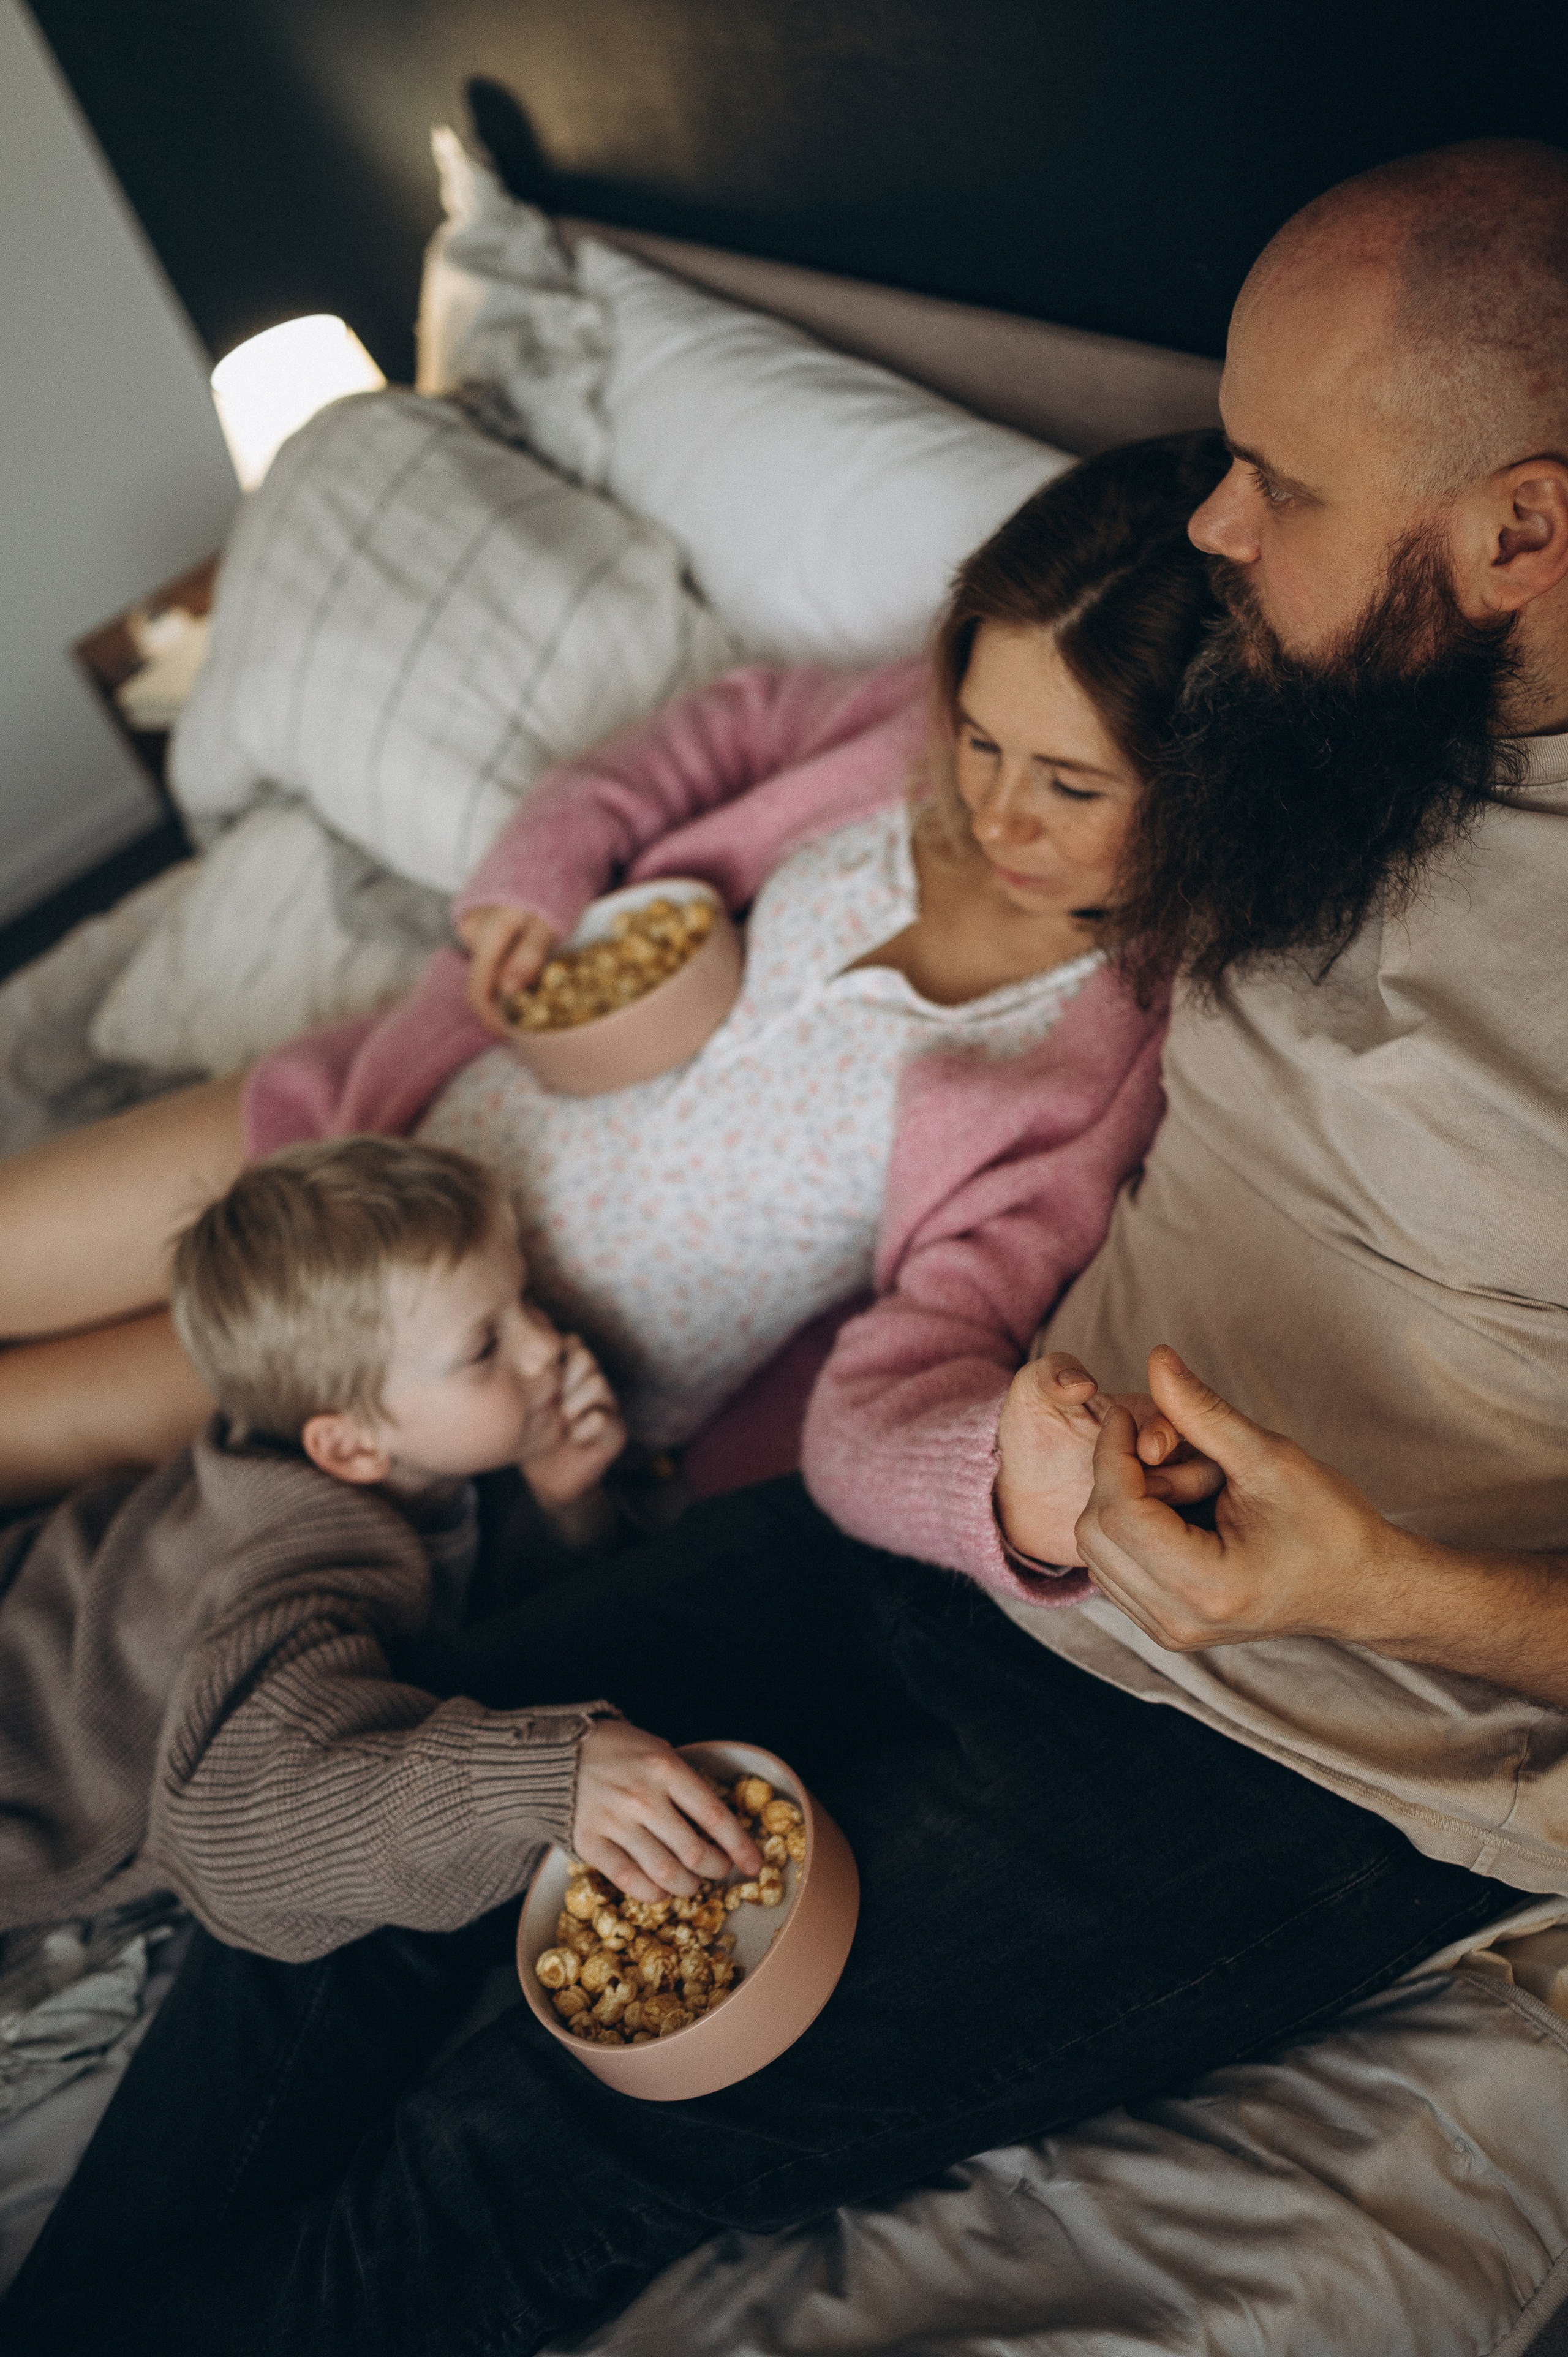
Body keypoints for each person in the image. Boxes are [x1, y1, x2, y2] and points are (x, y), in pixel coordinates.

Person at [6, 136, 1566, 2356]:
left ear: (1523, 530)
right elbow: (859, 741)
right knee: (393, 1815)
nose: (1221, 529)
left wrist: (1366, 1584)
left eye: (1280, 486)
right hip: (973, 1522)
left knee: (542, 2124)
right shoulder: (1310, 713)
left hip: (1311, 1732)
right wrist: (1008, 1483)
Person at [0, 432, 1226, 1506]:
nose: (999, 810)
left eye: (1071, 787)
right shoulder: (888, 743)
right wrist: (538, 877)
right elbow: (718, 729)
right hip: (366, 1132)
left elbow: (924, 1356)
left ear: (1203, 795)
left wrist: (1012, 1486)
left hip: (444, 1371)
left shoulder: (1097, 1068)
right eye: (979, 738)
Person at [0, 1134, 764, 1971]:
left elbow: (485, 1613)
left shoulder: (405, 1452)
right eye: (485, 1346)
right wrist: (546, 1778)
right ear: (349, 1446)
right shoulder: (297, 1564)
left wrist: (566, 1506)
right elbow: (232, 1829)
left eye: (526, 1300)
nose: (545, 1344)